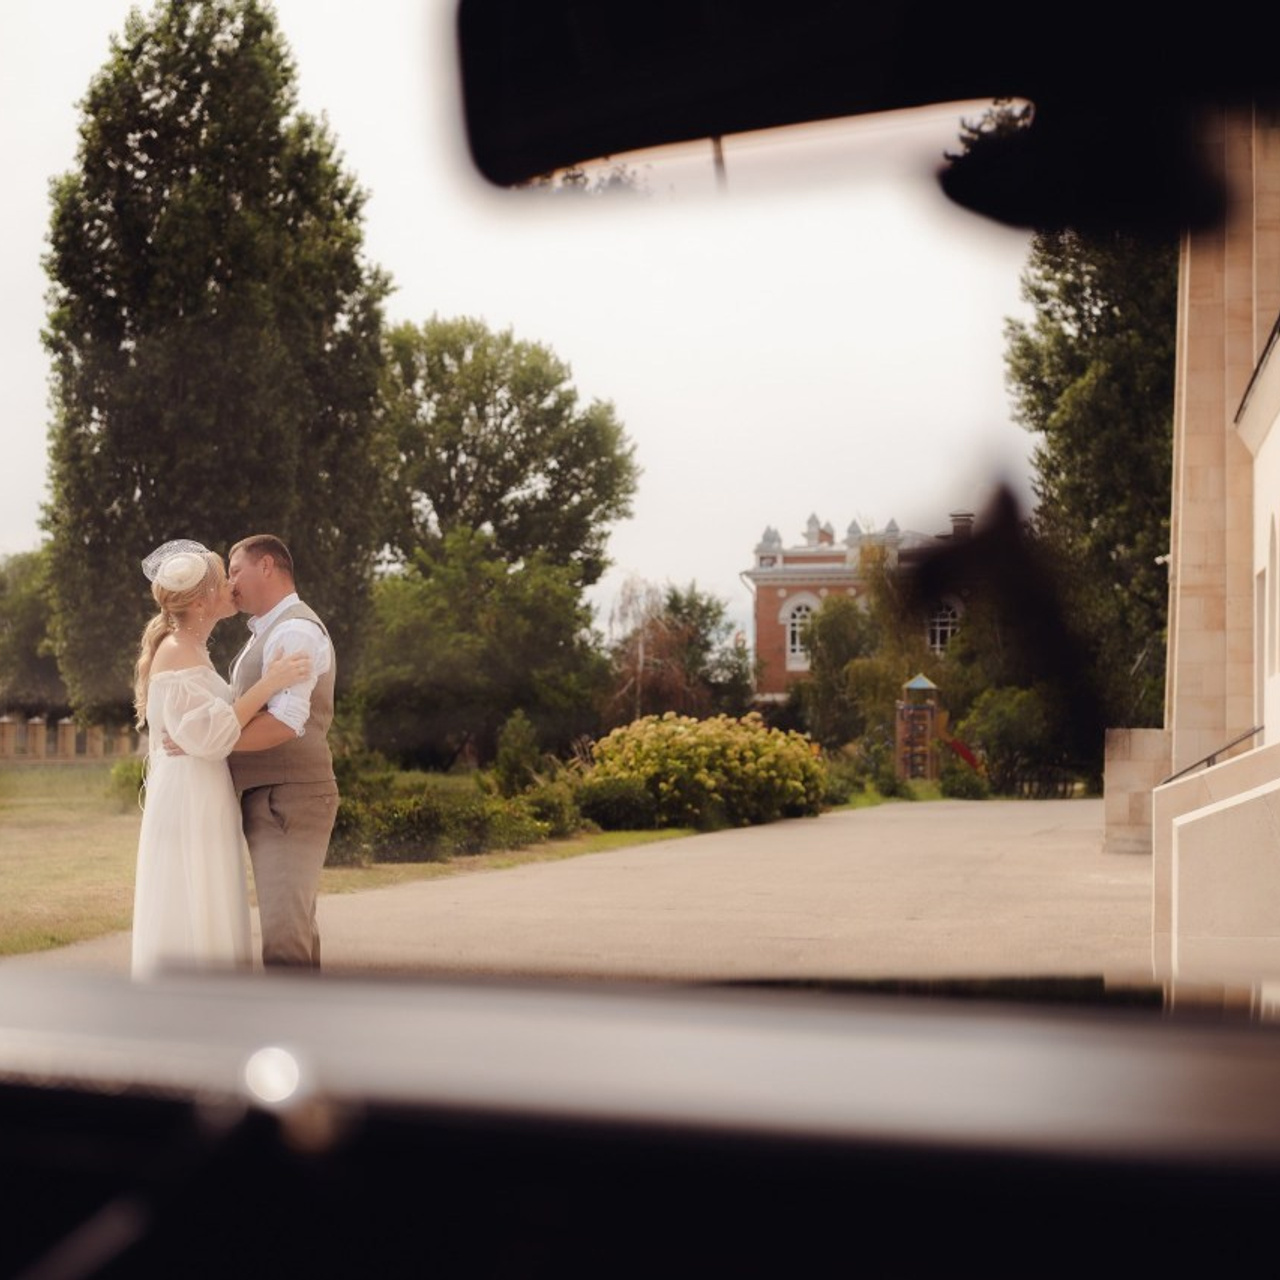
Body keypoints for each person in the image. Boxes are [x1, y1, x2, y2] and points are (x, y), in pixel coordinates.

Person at [131, 540, 310, 980]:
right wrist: (271, 683)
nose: (232, 584)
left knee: (210, 892)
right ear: (199, 600)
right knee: (192, 895)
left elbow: (205, 733)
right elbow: (210, 735)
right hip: (188, 795)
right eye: (221, 578)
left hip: (205, 787)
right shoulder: (176, 650)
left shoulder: (193, 648)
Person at [222, 533, 338, 969]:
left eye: (235, 570)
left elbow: (287, 722)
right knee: (293, 928)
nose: (231, 583)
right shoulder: (269, 629)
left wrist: (213, 743)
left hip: (287, 797)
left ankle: (290, 1032)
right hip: (276, 795)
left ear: (267, 566)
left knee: (285, 936)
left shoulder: (293, 629)